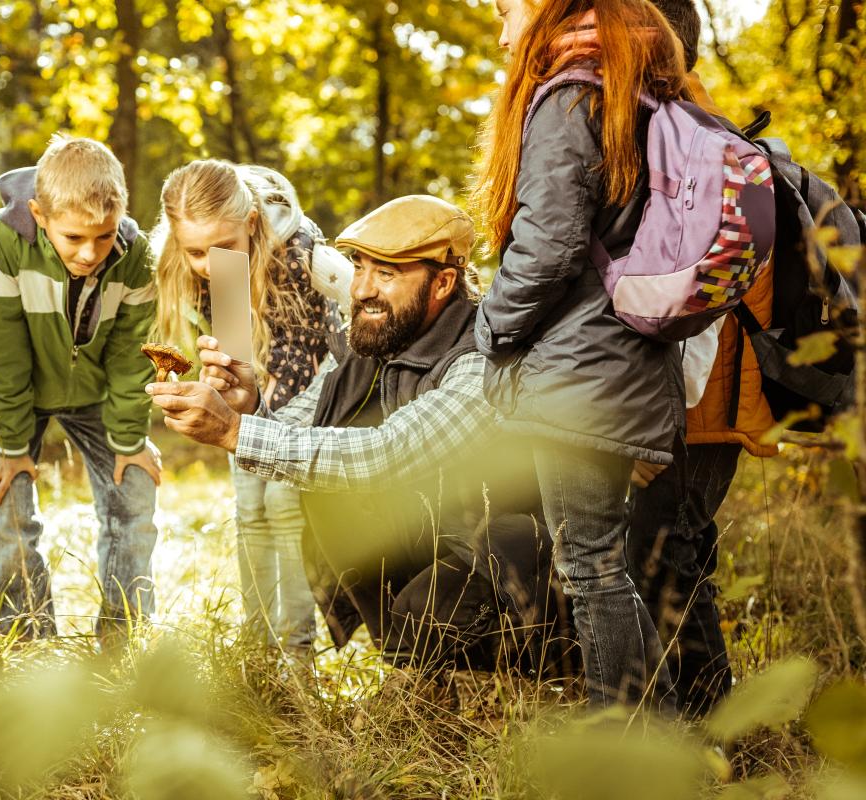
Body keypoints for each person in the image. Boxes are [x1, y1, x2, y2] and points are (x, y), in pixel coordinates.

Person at [149, 196, 573, 675]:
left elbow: (387, 453)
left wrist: (233, 431)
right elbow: (305, 429)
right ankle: (421, 666)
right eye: (358, 266)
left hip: (517, 554)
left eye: (386, 273)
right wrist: (249, 408)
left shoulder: (481, 359)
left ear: (442, 283)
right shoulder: (377, 338)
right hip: (437, 535)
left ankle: (521, 674)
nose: (362, 288)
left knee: (423, 611)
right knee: (329, 495)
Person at [473, 0, 689, 709]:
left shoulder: (572, 95)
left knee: (590, 568)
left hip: (582, 370)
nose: (503, 33)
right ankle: (662, 733)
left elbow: (549, 245)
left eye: (506, 12)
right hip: (623, 359)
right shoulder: (634, 89)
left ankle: (629, 743)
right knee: (602, 563)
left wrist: (490, 328)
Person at [627, 0, 779, 717]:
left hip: (693, 400)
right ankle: (700, 729)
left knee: (663, 556)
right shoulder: (685, 125)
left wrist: (652, 425)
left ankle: (715, 736)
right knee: (675, 552)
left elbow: (693, 300)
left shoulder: (680, 137)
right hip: (701, 398)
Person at [0, 134, 160, 645]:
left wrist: (130, 439)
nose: (90, 253)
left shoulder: (137, 257)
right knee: (9, 511)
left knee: (135, 492)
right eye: (74, 237)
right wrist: (10, 446)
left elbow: (131, 356)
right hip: (17, 395)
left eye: (104, 236)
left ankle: (124, 636)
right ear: (39, 214)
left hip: (98, 392)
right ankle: (27, 638)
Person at [152, 160, 341, 651]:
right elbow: (238, 351)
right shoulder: (217, 262)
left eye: (221, 248)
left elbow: (329, 351)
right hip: (255, 393)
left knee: (282, 503)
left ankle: (298, 650)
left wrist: (263, 419)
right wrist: (223, 379)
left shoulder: (300, 252)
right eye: (195, 252)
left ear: (252, 222)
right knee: (249, 507)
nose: (208, 263)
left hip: (316, 389)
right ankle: (257, 647)